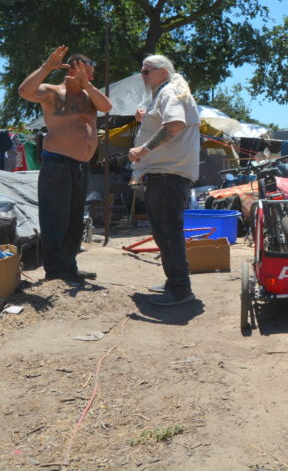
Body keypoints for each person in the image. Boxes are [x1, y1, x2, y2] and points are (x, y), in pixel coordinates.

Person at [18, 46, 113, 285]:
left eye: (91, 75)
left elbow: (107, 107)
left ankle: (69, 266)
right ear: (73, 69)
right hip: (57, 164)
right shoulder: (52, 93)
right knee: (55, 219)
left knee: (73, 221)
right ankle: (56, 272)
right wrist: (46, 67)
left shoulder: (89, 96)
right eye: (87, 72)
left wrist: (87, 85)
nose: (91, 77)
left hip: (81, 167)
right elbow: (24, 91)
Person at [128, 55, 202, 306]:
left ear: (162, 72)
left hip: (167, 174)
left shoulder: (169, 92)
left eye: (146, 71)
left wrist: (143, 150)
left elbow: (175, 124)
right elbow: (166, 121)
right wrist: (145, 118)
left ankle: (180, 290)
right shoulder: (168, 93)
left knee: (168, 232)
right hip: (167, 174)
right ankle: (175, 282)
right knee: (166, 231)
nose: (143, 75)